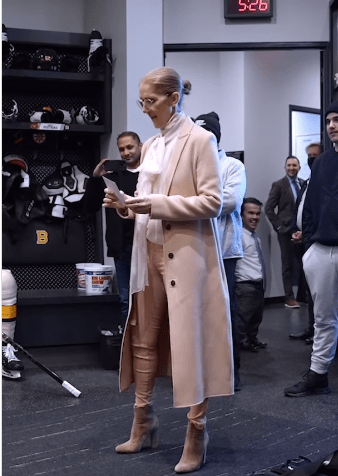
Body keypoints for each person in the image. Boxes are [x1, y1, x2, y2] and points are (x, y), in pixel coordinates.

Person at [103, 67, 233, 473]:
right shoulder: (155, 145)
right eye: (141, 101)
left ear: (174, 98)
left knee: (190, 340)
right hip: (149, 251)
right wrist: (127, 205)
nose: (145, 109)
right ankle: (144, 421)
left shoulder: (200, 140)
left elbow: (212, 202)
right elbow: (148, 200)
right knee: (144, 337)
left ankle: (197, 430)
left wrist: (155, 206)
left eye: (151, 101)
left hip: (187, 254)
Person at [284, 101, 338, 397]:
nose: (332, 125)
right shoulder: (322, 163)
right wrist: (309, 244)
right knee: (323, 318)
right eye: (329, 120)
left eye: (337, 119)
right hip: (321, 248)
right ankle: (318, 374)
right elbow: (308, 205)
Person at [194, 111, 246, 391]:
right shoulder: (193, 166)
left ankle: (231, 374)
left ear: (215, 137)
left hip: (224, 251)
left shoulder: (233, 166)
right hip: (195, 249)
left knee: (225, 312)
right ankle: (203, 372)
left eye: (206, 135)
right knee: (197, 313)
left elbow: (228, 201)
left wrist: (192, 203)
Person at [84, 132, 142, 325]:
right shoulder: (113, 179)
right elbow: (90, 206)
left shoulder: (151, 176)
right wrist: (95, 178)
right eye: (122, 149)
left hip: (147, 245)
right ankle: (128, 351)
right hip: (122, 247)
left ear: (140, 146)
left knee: (147, 300)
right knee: (126, 299)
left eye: (130, 147)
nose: (126, 153)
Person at [289, 143, 322, 345]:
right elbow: (300, 209)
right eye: (309, 156)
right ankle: (311, 329)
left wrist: (308, 233)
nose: (311, 159)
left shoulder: (324, 181)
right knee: (309, 288)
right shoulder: (307, 181)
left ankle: (320, 332)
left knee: (319, 290)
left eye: (315, 156)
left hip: (316, 240)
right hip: (304, 239)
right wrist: (295, 229)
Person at [265, 156, 305, 308]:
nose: (291, 168)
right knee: (287, 265)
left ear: (299, 167)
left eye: (294, 165)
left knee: (304, 264)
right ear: (285, 167)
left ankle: (302, 295)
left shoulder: (303, 184)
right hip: (285, 231)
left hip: (301, 231)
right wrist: (279, 227)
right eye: (289, 165)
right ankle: (289, 297)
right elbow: (268, 208)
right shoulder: (279, 185)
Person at [235, 198, 267, 352]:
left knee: (256, 316)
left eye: (258, 214)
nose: (255, 217)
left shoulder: (255, 238)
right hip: (246, 285)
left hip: (258, 284)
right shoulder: (238, 236)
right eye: (251, 213)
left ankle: (252, 338)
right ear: (242, 215)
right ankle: (242, 342)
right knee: (243, 316)